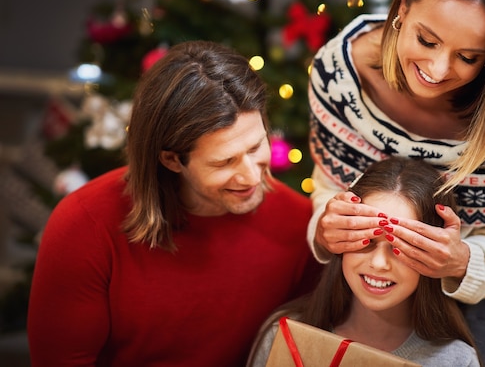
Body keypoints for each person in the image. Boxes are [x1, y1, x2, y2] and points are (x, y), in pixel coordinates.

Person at [307, 0, 485, 366]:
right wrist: (325, 228)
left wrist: (463, 262)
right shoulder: (338, 72)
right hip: (383, 279)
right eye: (427, 40)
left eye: (469, 57)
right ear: (403, 2)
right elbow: (331, 185)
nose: (438, 70)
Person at [27, 40, 321, 367]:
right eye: (224, 162)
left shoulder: (301, 226)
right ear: (171, 159)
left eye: (255, 147)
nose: (251, 177)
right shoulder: (84, 224)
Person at [247, 157, 481, 367]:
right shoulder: (284, 334)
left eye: (401, 247)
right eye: (366, 240)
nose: (379, 263)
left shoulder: (455, 361)